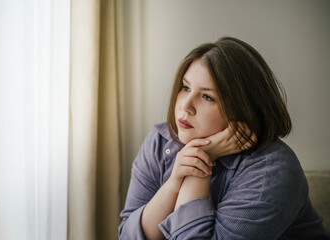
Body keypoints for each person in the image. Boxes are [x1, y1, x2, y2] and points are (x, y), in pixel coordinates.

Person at [118, 37, 329, 239]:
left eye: (208, 97)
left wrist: (199, 163)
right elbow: (127, 235)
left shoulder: (271, 170)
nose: (185, 105)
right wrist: (173, 184)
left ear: (243, 110)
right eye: (186, 87)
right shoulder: (160, 142)